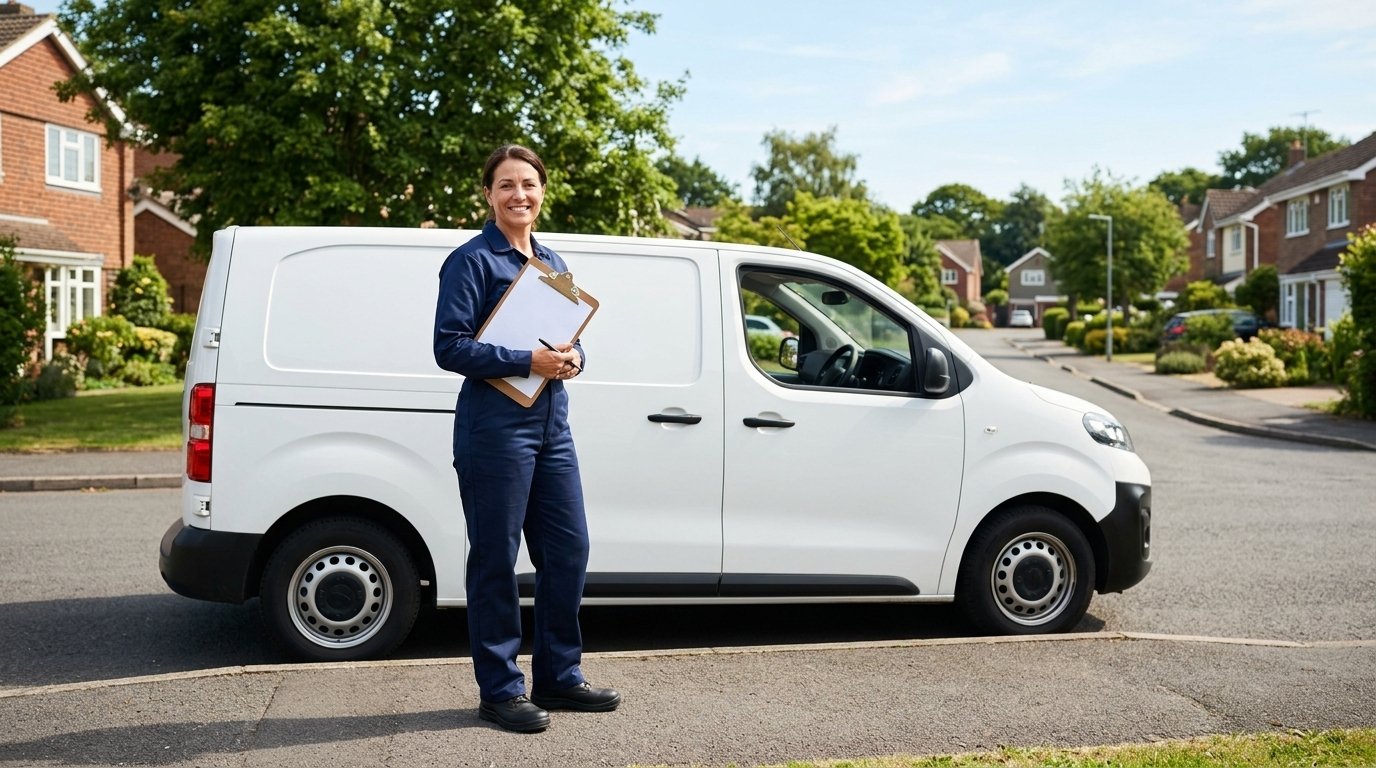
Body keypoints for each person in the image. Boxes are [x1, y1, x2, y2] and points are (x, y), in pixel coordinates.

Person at [433, 144, 620, 733]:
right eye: (507, 184)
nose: (520, 194)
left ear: (542, 193)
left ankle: (560, 678)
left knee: (568, 551)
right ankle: (500, 690)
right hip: (494, 429)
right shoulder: (470, 261)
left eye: (529, 184)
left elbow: (568, 336)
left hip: (550, 424)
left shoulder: (552, 259)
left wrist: (572, 358)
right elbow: (449, 346)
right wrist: (526, 359)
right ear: (488, 194)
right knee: (495, 558)